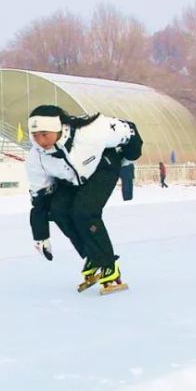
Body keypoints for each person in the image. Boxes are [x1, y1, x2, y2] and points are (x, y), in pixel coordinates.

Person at [26, 104, 143, 292]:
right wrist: (41, 236)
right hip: (72, 179)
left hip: (103, 166)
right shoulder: (36, 157)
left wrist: (130, 156)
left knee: (84, 212)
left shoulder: (92, 131)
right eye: (35, 136)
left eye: (44, 134)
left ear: (58, 128)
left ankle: (108, 264)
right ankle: (92, 255)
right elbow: (39, 199)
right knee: (58, 210)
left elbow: (130, 130)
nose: (40, 141)